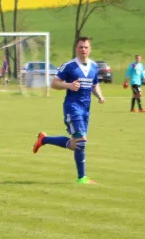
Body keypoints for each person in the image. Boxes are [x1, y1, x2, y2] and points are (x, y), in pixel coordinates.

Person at [33, 37, 105, 184]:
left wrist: (100, 96)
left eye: (86, 47)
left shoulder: (93, 67)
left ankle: (44, 139)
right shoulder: (69, 66)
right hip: (72, 108)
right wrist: (69, 86)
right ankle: (82, 178)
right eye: (80, 47)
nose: (83, 50)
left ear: (90, 49)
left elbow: (94, 85)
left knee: (75, 144)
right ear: (76, 49)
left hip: (86, 110)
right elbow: (54, 84)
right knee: (81, 142)